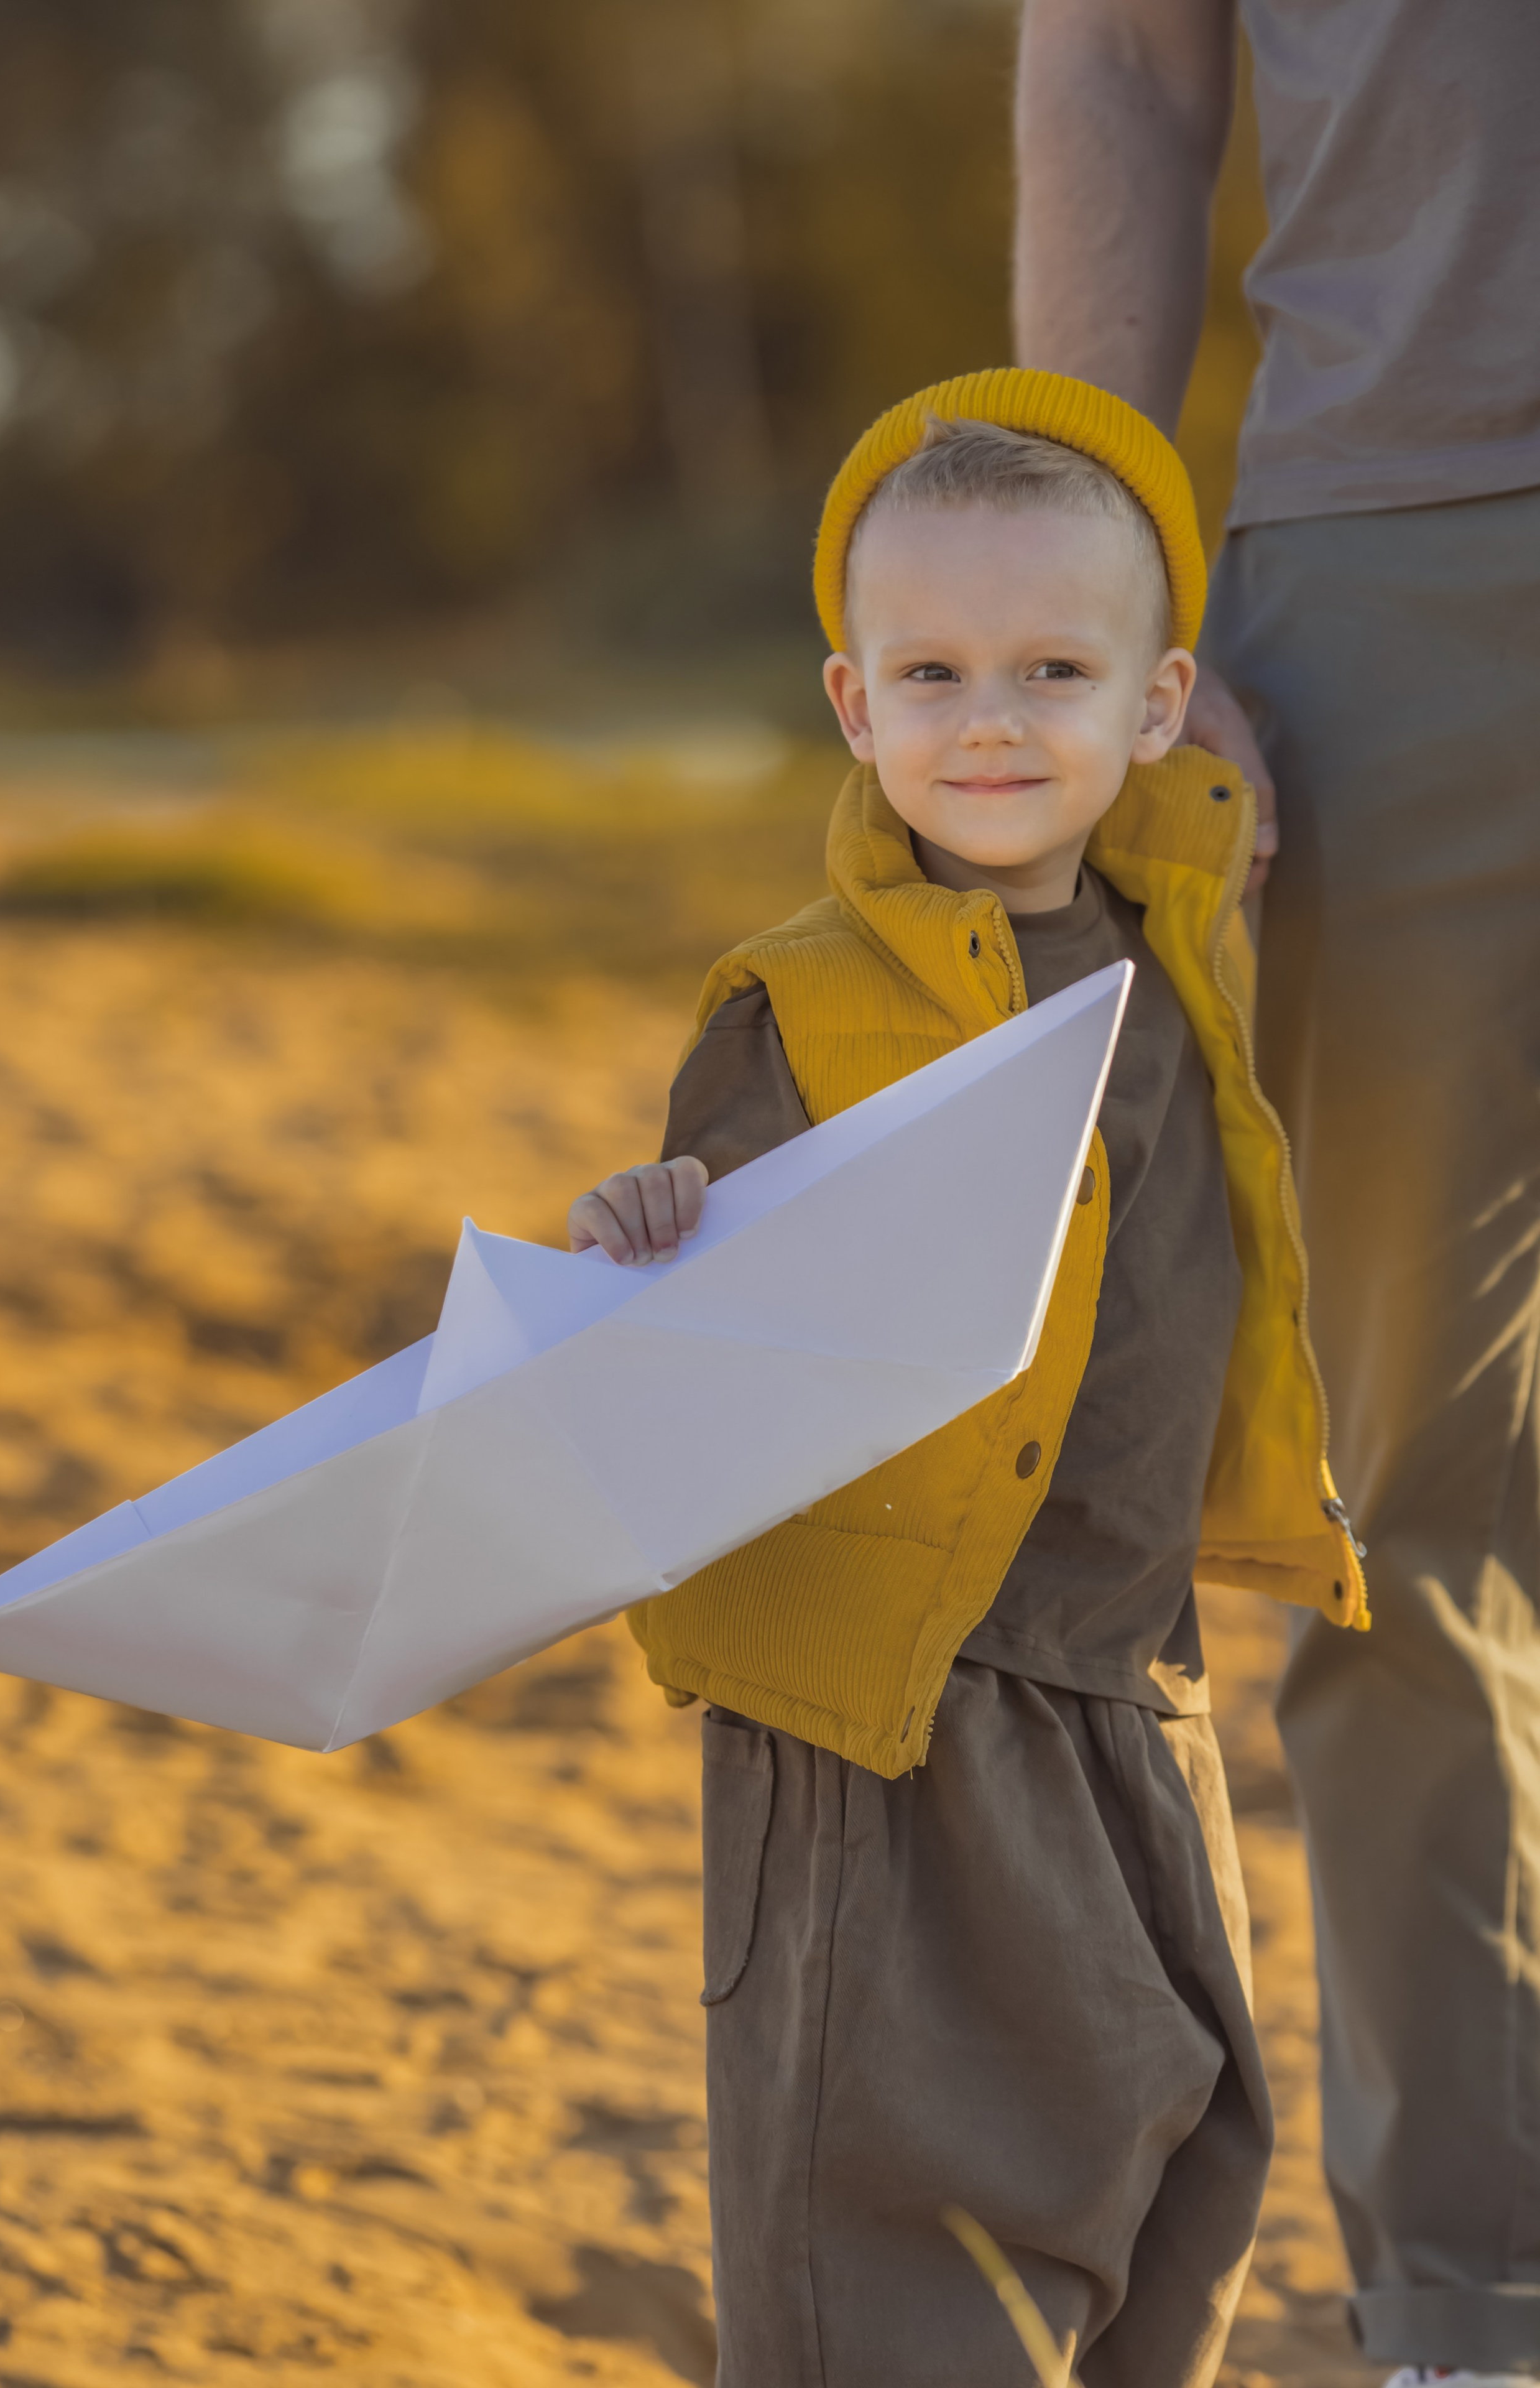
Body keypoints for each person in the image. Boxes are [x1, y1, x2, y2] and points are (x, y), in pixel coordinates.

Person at [565, 368, 1367, 2388]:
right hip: (891, 1716)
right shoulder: (803, 1003)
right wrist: (653, 1226)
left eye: (1051, 669)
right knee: (895, 2228)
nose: (992, 719)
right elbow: (706, 1301)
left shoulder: (1174, 946)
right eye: (930, 671)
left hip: (1133, 1670)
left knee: (1176, 2150)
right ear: (855, 708)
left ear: (1159, 704)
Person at [1012, 6, 1540, 2381]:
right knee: (1402, 1508)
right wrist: (1092, 570)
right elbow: (1125, 53)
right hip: (1402, 571)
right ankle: (1479, 2311)